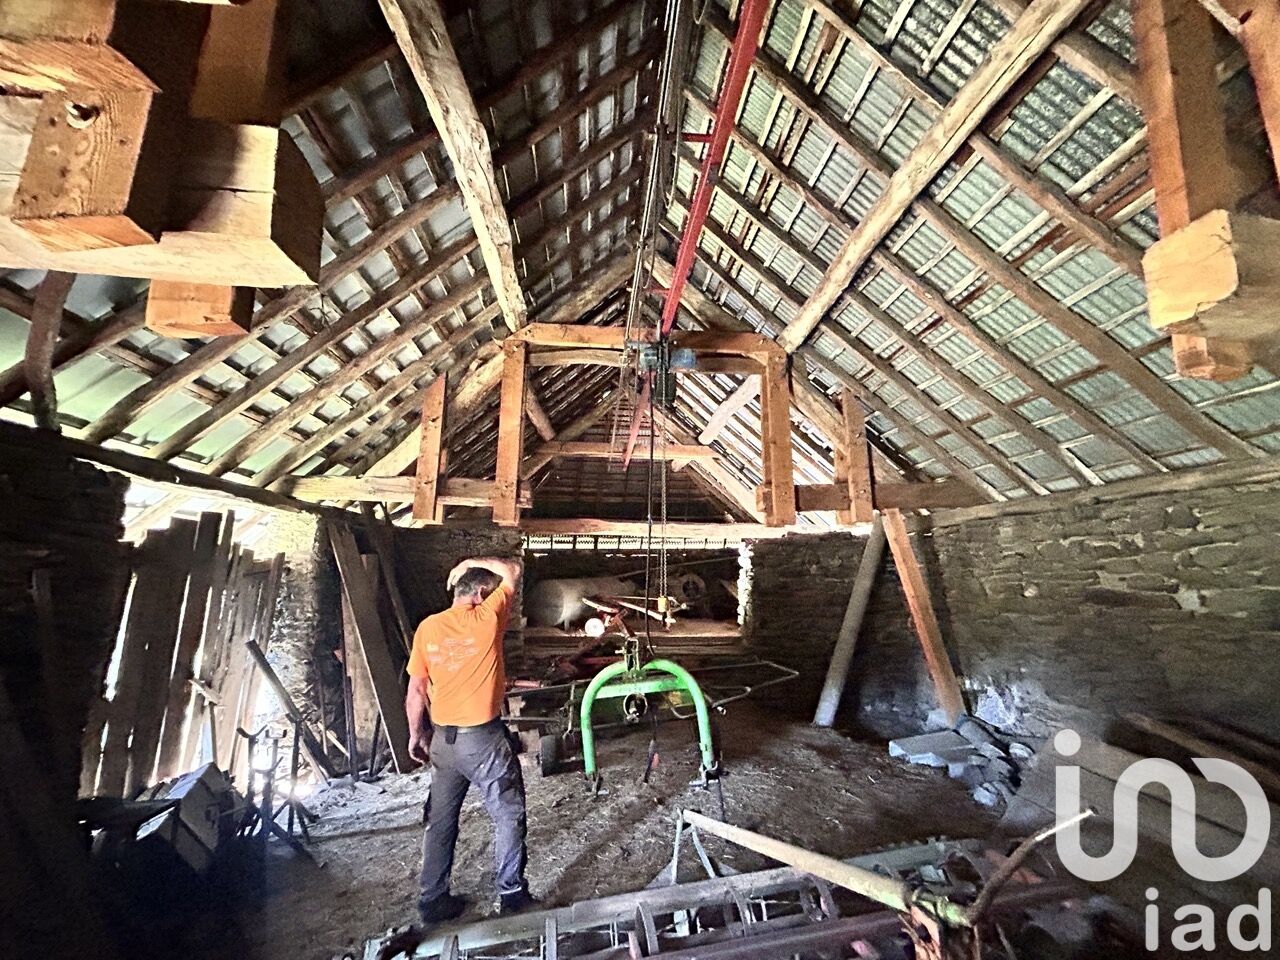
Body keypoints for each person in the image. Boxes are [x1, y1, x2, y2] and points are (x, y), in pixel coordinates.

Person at [405, 555, 535, 925]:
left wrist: (416, 734)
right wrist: (470, 561)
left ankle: (432, 900)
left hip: (443, 742)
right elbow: (513, 570)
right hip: (482, 741)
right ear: (479, 593)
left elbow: (416, 690)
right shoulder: (486, 618)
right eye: (488, 593)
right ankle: (511, 894)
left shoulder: (428, 628)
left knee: (441, 820)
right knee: (507, 814)